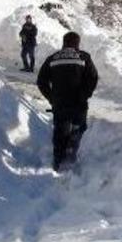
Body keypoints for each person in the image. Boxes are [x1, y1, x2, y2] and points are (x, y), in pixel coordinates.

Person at [37, 31, 99, 171]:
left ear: (64, 43)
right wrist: (85, 94)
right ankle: (71, 153)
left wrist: (51, 97)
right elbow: (93, 78)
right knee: (79, 127)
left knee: (60, 131)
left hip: (60, 103)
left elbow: (41, 81)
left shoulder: (52, 58)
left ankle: (58, 161)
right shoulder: (84, 57)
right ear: (77, 43)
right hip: (79, 102)